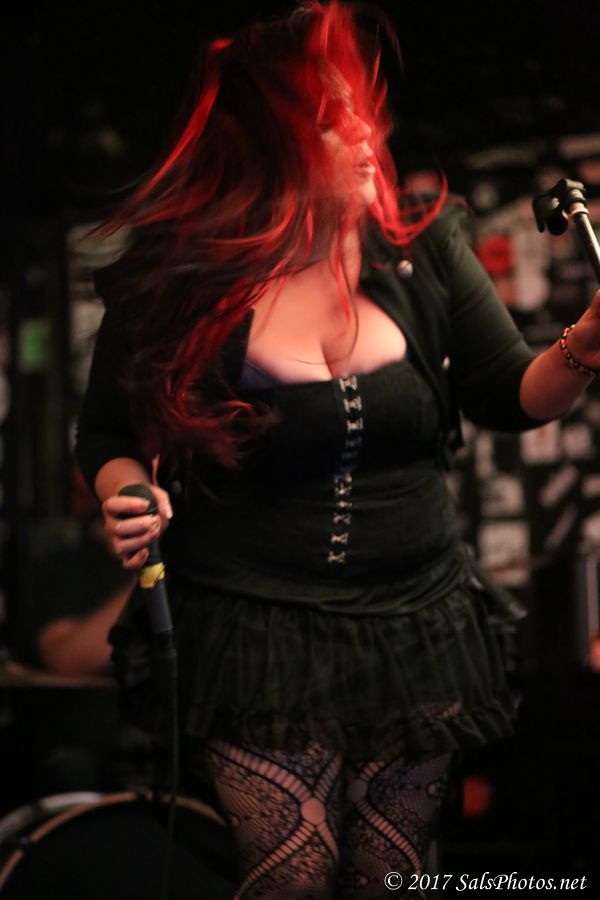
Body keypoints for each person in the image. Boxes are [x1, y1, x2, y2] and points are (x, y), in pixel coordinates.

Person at [75, 2, 600, 897]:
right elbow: (108, 434)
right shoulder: (183, 274)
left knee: (388, 877)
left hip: (412, 619)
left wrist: (584, 343)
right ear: (268, 140)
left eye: (361, 110)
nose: (365, 134)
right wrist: (125, 493)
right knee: (292, 879)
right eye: (331, 118)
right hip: (257, 622)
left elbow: (509, 392)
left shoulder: (421, 247)